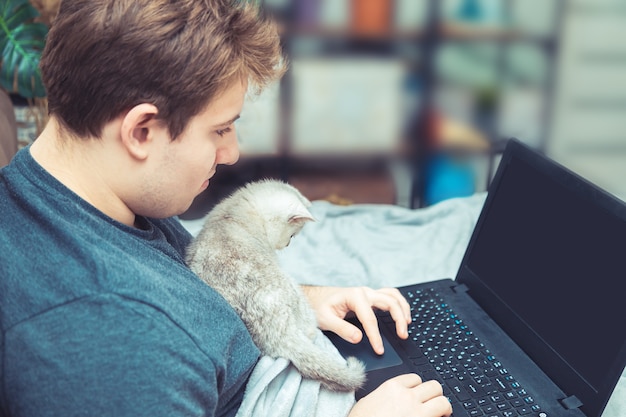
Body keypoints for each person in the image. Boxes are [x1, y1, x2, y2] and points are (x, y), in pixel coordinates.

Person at [0, 1, 452, 416]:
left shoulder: (79, 196)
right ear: (141, 131)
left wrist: (295, 301)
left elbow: (192, 282)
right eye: (220, 130)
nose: (232, 152)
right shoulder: (119, 343)